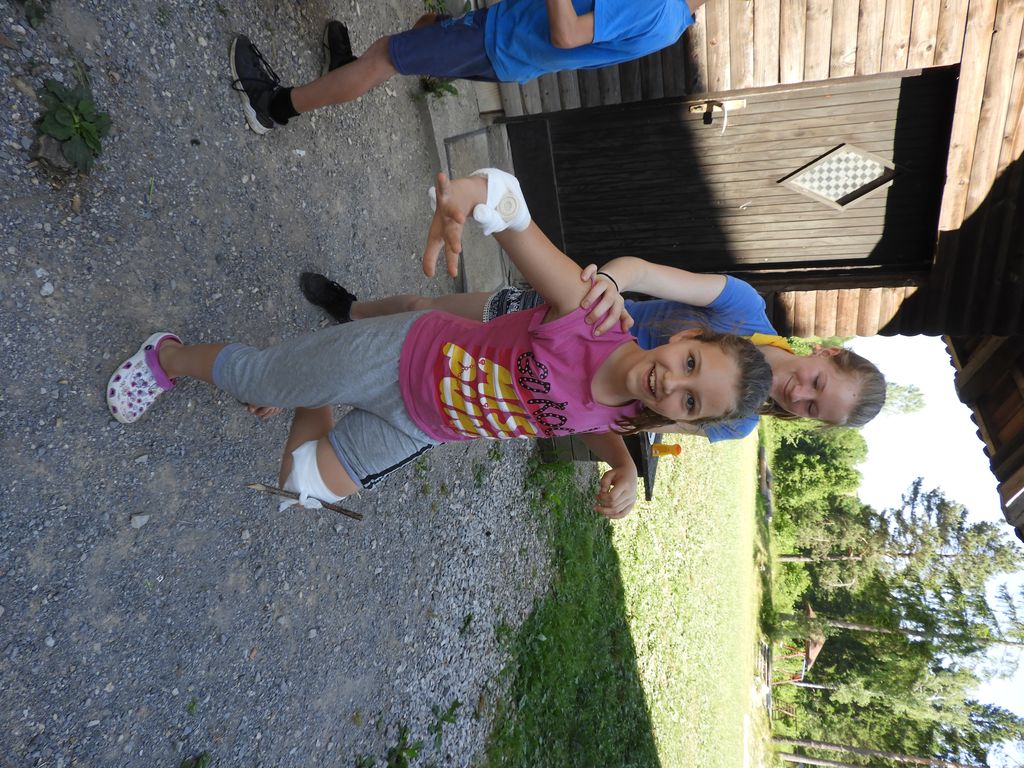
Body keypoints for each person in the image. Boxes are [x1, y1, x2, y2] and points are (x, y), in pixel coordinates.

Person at [106, 170, 771, 519]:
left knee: (299, 486)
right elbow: (511, 211)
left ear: (686, 421)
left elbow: (587, 420)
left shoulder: (628, 413)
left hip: (421, 425)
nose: (671, 384)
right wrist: (469, 196)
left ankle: (314, 387)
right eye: (689, 363)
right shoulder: (592, 315)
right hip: (400, 355)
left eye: (690, 401)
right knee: (256, 380)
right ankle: (167, 357)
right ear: (687, 334)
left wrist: (622, 468)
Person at [299, 259, 887, 441]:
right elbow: (642, 273)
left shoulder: (736, 425)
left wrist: (622, 469)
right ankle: (352, 314)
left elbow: (634, 420)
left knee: (420, 392)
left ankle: (315, 383)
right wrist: (609, 282)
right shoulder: (740, 308)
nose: (799, 394)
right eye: (817, 383)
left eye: (813, 409)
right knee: (425, 311)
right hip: (544, 324)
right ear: (825, 351)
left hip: (524, 385)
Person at [229, 0, 703, 135]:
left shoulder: (655, 5)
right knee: (427, 28)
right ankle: (344, 73)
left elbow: (567, 33)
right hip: (510, 50)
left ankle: (274, 107)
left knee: (387, 55)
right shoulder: (675, 20)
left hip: (501, 40)